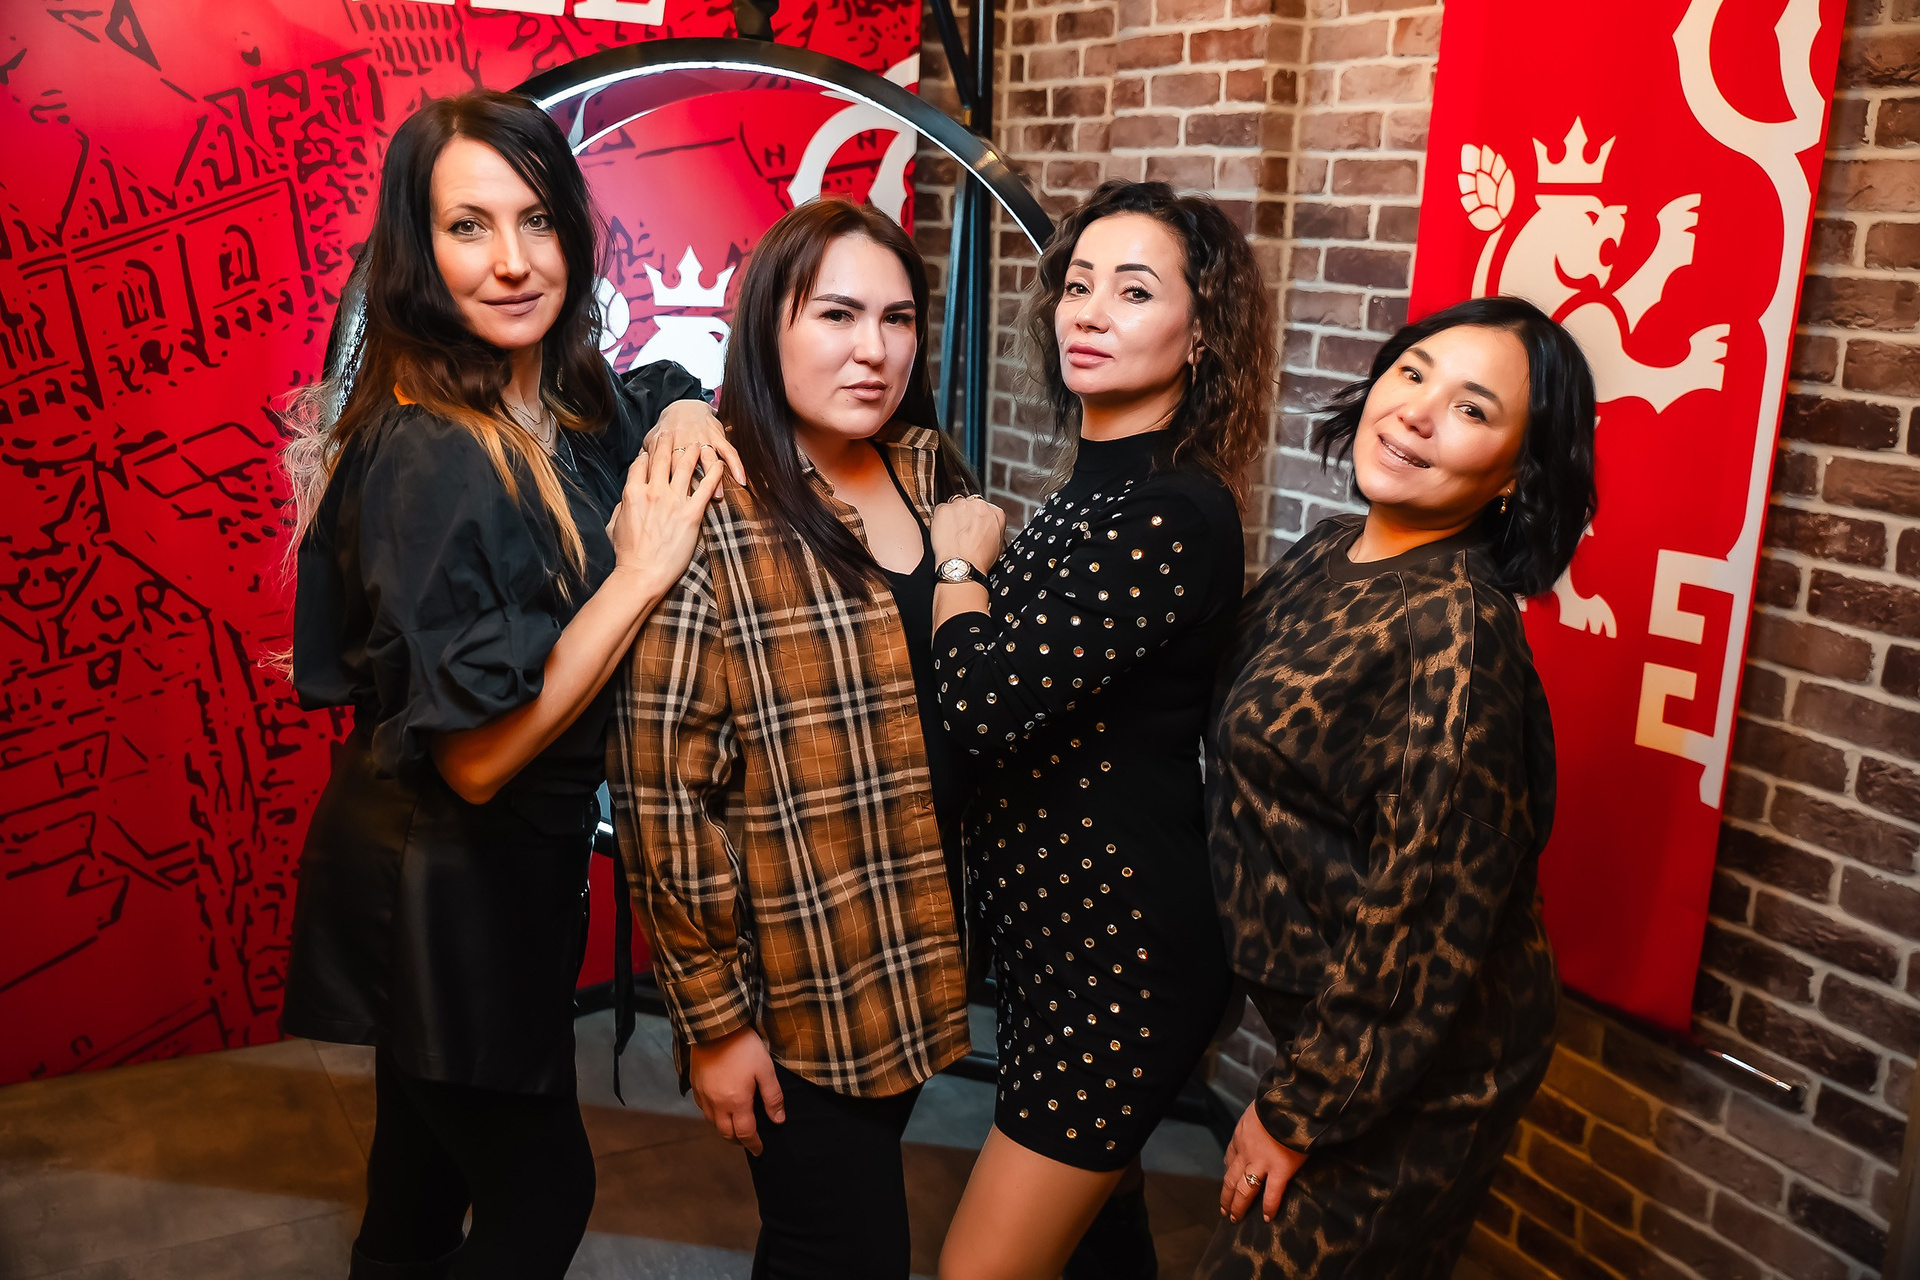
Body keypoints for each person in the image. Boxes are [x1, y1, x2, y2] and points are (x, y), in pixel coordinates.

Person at [280, 90, 739, 1280]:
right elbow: (478, 758)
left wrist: (687, 413)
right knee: (544, 1194)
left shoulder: (557, 396)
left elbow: (652, 390)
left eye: (536, 220)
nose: (513, 261)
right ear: (418, 250)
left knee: (416, 1194)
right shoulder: (431, 452)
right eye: (468, 227)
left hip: (503, 880)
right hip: (442, 886)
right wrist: (637, 574)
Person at [605, 197, 974, 1280]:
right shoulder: (713, 511)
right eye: (838, 315)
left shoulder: (930, 471)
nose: (876, 350)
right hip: (800, 984)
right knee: (844, 1250)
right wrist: (716, 1023)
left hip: (916, 952)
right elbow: (662, 794)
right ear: (769, 326)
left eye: (898, 318)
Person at [1199, 295, 1597, 1280]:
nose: (1416, 411)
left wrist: (1297, 1112)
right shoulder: (1328, 551)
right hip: (1341, 1033)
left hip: (1421, 1064)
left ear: (1516, 473)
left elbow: (1423, 918)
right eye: (1413, 372)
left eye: (1471, 408)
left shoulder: (1456, 632)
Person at [927, 179, 1276, 1280]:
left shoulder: (1174, 509)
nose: (1088, 312)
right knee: (1097, 1253)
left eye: (1133, 291)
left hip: (1117, 957)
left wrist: (958, 566)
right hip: (1055, 941)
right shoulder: (1096, 489)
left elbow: (984, 703)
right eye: (1077, 285)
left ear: (1202, 333)